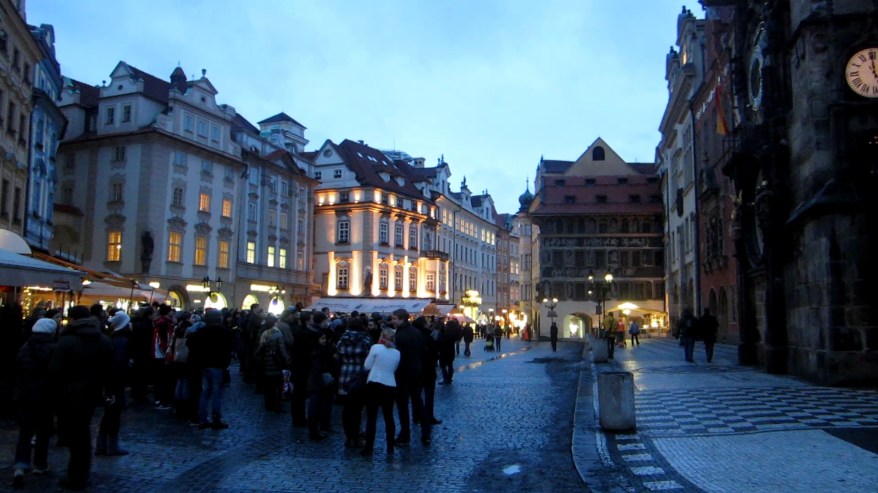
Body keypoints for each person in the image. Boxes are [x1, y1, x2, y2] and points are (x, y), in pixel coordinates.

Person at [48, 305, 113, 491]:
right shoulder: (103, 340)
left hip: (68, 393)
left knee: (75, 435)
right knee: (82, 432)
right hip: (92, 394)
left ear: (73, 320)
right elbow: (110, 371)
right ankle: (80, 473)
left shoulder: (66, 340)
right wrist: (108, 392)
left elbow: (55, 371)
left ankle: (76, 476)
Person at [12, 317, 57, 489]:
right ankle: (40, 465)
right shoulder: (54, 349)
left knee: (25, 433)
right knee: (43, 433)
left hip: (24, 396)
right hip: (45, 397)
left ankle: (20, 466)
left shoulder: (25, 347)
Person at [187, 309, 233, 430]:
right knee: (216, 392)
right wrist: (226, 363)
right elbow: (228, 349)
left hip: (204, 365)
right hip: (218, 365)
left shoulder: (201, 331)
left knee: (205, 392)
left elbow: (193, 345)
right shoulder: (224, 331)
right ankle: (215, 419)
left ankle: (203, 419)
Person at [95, 310, 132, 457]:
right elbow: (118, 365)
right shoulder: (122, 342)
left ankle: (101, 444)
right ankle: (111, 445)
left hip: (109, 382)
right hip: (115, 383)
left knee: (109, 414)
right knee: (114, 414)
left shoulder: (111, 339)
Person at [361, 327, 400, 457]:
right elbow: (394, 368)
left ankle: (368, 448)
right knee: (389, 417)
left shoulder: (375, 348)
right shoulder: (397, 353)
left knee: (371, 417)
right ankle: (390, 447)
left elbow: (366, 366)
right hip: (389, 385)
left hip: (374, 383)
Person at [390, 308, 426, 446]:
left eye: (394, 319)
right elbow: (424, 351)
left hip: (403, 373)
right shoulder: (417, 332)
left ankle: (405, 434)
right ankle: (426, 433)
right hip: (416, 371)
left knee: (402, 405)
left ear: (402, 319)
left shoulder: (399, 335)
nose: (392, 321)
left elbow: (398, 356)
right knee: (418, 402)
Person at [335, 317, 373, 448]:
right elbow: (370, 357)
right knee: (357, 408)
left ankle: (348, 435)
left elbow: (337, 356)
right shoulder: (365, 339)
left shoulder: (342, 339)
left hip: (345, 374)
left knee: (346, 408)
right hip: (359, 376)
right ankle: (355, 436)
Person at [254, 315, 291, 413]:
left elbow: (258, 348)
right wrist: (287, 360)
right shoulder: (277, 334)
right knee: (277, 386)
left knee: (269, 386)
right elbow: (282, 350)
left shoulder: (262, 333)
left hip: (265, 363)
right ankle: (277, 405)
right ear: (274, 323)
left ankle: (268, 404)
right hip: (276, 363)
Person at [439, 319, 461, 385]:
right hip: (451, 350)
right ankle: (449, 378)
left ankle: (446, 379)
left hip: (444, 351)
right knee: (450, 365)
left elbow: (443, 342)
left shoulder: (446, 333)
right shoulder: (454, 333)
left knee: (443, 365)